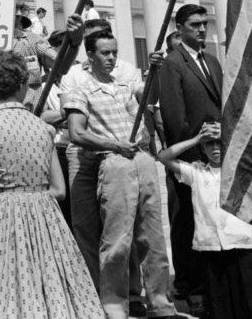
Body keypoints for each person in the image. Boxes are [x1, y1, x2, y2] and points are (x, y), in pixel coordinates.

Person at [0, 50, 104, 318]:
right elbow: (59, 190)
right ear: (23, 85)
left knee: (0, 289)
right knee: (51, 287)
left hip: (2, 214)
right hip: (45, 214)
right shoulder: (43, 128)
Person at [65, 31, 177, 319]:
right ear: (90, 56)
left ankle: (161, 303)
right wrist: (114, 144)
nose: (111, 58)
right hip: (113, 161)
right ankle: (114, 305)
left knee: (152, 238)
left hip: (142, 159)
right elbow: (76, 132)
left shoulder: (126, 84)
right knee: (117, 239)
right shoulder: (81, 90)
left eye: (114, 52)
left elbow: (151, 97)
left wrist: (156, 70)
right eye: (105, 53)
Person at [57, 18, 145, 311]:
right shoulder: (73, 77)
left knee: (121, 224)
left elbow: (141, 109)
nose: (110, 56)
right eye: (101, 47)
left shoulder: (125, 73)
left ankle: (129, 293)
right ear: (88, 49)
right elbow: (73, 124)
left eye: (113, 49)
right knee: (85, 225)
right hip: (81, 156)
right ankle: (92, 291)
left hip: (116, 156)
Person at [158, 125, 252, 319]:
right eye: (210, 144)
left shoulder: (242, 169)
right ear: (203, 149)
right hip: (211, 246)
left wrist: (228, 135)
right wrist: (197, 139)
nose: (215, 148)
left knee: (248, 303)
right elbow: (164, 157)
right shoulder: (196, 172)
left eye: (219, 143)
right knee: (220, 304)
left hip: (240, 244)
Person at [157, 3, 220, 312]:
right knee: (186, 220)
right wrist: (190, 152)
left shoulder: (212, 61)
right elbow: (173, 115)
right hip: (190, 156)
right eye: (195, 24)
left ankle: (211, 281)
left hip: (216, 154)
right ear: (179, 28)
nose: (202, 29)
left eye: (204, 23)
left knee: (211, 218)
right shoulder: (172, 63)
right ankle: (189, 285)